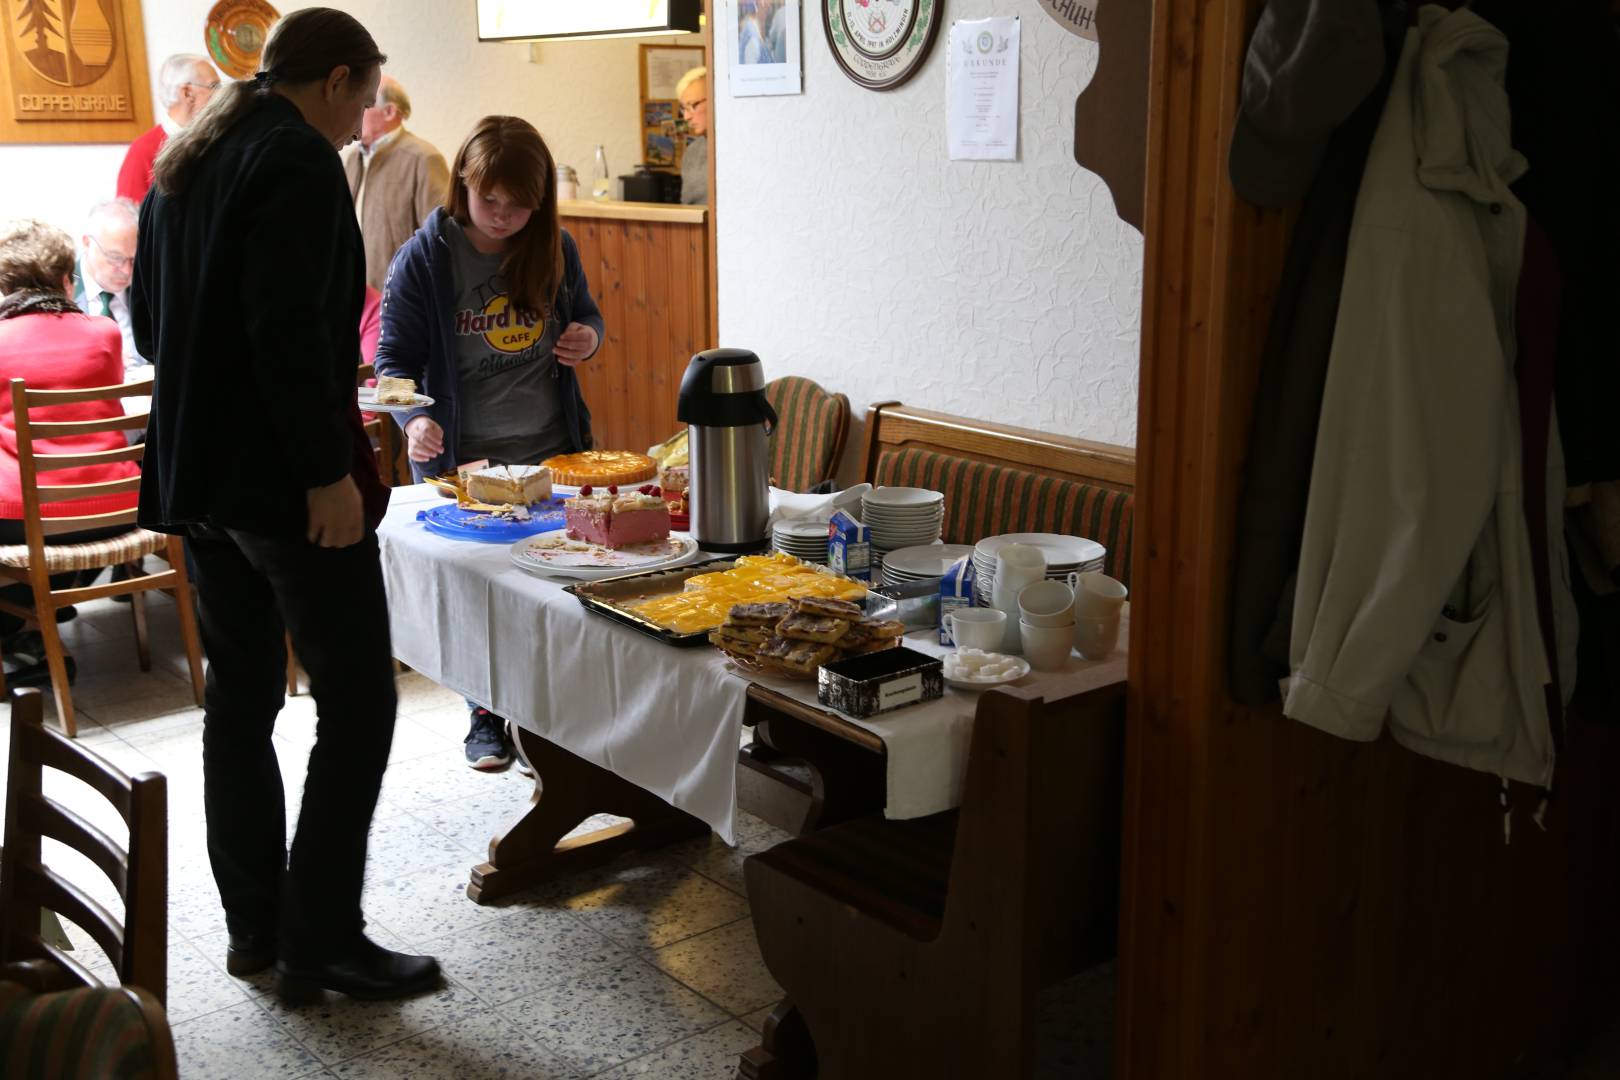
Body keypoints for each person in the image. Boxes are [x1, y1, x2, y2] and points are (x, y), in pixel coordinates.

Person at [130, 8, 441, 1003]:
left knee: (243, 697)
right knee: (360, 700)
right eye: (368, 94)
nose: (368, 115)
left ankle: (255, 928)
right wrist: (326, 477)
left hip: (202, 483)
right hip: (281, 484)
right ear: (338, 81)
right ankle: (324, 938)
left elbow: (149, 324)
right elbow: (286, 337)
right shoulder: (297, 162)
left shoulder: (189, 157)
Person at [375, 115, 603, 771]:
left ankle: (550, 722)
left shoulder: (553, 245)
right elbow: (394, 363)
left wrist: (588, 335)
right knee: (481, 597)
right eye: (489, 200)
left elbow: (586, 314)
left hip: (554, 448)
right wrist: (413, 422)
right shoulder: (425, 258)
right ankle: (485, 714)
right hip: (465, 460)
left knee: (556, 588)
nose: (504, 215)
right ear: (464, 188)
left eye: (520, 204)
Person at [0, 220, 142, 686]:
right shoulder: (104, 332)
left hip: (32, 520)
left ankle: (22, 630)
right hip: (116, 508)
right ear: (67, 277)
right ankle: (30, 627)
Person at [341, 75, 450, 291]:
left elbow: (441, 238)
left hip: (401, 298)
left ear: (389, 112)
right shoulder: (354, 158)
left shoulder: (423, 158)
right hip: (356, 299)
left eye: (364, 105)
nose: (354, 112)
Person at [116, 54, 220, 204]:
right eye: (214, 86)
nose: (221, 94)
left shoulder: (219, 142)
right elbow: (128, 221)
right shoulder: (143, 151)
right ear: (187, 93)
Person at [72, 198, 146, 378]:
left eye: (133, 260)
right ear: (87, 244)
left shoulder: (147, 289)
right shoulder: (61, 290)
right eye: (115, 258)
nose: (127, 271)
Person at [676, 66, 708, 206]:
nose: (686, 117)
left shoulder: (742, 146)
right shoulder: (692, 151)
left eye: (692, 105)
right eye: (684, 108)